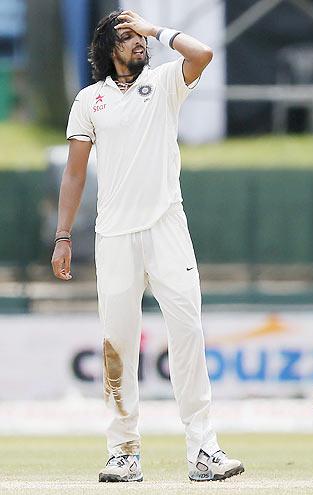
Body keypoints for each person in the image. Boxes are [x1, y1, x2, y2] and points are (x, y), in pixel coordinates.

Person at [51, 10, 243, 483]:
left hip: (166, 227)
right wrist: (63, 235)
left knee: (188, 333)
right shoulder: (88, 100)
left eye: (140, 36)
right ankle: (123, 452)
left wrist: (155, 29)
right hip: (114, 235)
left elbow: (202, 53)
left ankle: (203, 449)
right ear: (104, 48)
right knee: (117, 345)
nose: (137, 42)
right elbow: (75, 173)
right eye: (126, 36)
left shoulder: (162, 83)